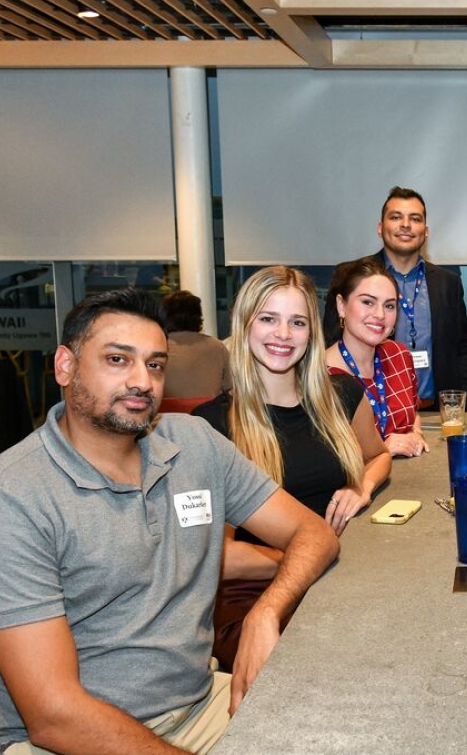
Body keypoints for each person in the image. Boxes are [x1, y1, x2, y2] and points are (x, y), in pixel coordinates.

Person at [0, 289, 340, 755]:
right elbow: (54, 717)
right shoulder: (10, 499)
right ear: (65, 366)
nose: (141, 381)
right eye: (118, 360)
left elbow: (313, 533)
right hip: (58, 752)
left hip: (196, 706)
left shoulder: (192, 444)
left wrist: (266, 613)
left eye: (155, 365)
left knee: (347, 745)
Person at [194, 266, 391, 671]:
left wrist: (362, 487)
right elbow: (216, 557)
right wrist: (308, 557)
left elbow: (379, 455)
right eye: (269, 318)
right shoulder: (211, 425)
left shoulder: (342, 395)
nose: (283, 334)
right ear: (244, 324)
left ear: (312, 332)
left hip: (336, 580)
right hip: (255, 595)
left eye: (297, 322)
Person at [322, 187, 467, 405]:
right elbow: (330, 341)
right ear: (380, 227)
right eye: (396, 217)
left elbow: (463, 348)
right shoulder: (351, 276)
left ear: (426, 230)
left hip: (439, 411)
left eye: (415, 218)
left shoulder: (448, 283)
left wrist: (464, 402)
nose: (405, 225)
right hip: (369, 410)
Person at [326, 258, 428, 457]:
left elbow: (412, 412)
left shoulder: (399, 355)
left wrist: (416, 432)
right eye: (368, 302)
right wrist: (382, 449)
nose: (380, 314)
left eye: (389, 306)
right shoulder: (320, 376)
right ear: (341, 306)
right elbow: (324, 458)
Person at [162, 289, 232, 398]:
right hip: (208, 414)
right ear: (198, 316)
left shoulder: (158, 347)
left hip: (165, 414)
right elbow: (230, 388)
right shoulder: (217, 347)